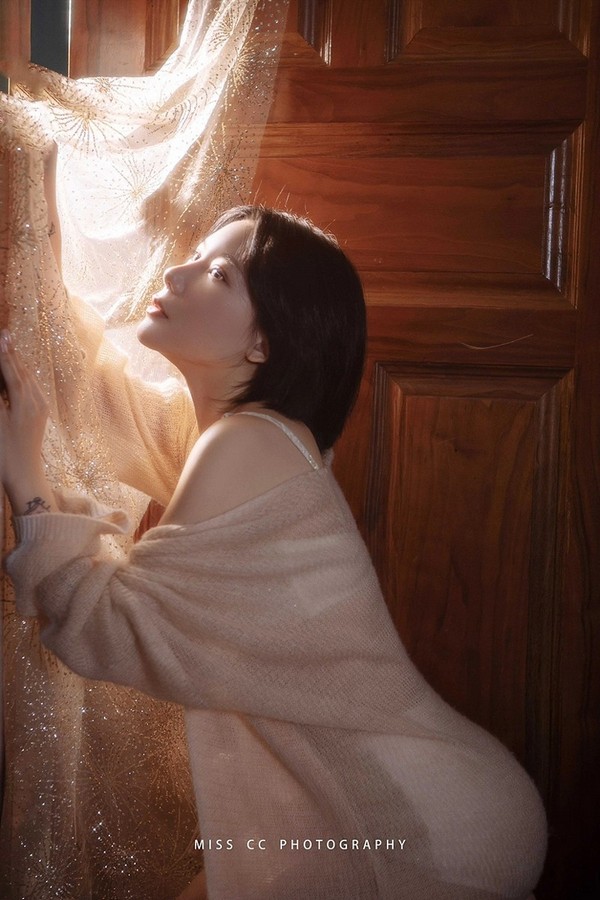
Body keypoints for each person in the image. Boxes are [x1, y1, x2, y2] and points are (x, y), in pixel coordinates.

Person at [0, 206, 547, 899]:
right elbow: (96, 392)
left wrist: (24, 475)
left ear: (263, 342)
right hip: (415, 801)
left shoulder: (250, 442)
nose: (177, 273)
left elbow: (109, 630)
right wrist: (40, 195)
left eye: (219, 274)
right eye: (195, 256)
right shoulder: (236, 436)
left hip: (420, 823)